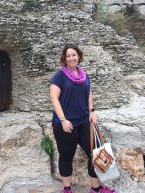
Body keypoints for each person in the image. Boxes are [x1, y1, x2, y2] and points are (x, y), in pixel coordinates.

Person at [49, 44, 117, 193]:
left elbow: (89, 92)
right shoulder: (60, 75)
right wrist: (63, 120)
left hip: (84, 121)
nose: (71, 58)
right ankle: (67, 189)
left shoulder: (83, 74)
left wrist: (91, 112)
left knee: (96, 154)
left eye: (74, 55)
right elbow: (54, 98)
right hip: (65, 124)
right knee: (66, 156)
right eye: (68, 56)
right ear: (64, 58)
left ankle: (96, 189)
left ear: (79, 56)